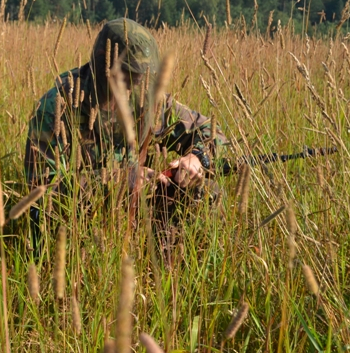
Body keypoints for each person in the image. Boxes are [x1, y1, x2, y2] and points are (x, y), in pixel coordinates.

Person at [24, 17, 228, 234]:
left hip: (138, 209)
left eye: (141, 76)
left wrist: (197, 157)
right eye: (129, 75)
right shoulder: (57, 107)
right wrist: (117, 179)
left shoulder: (147, 98)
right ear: (104, 65)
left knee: (206, 190)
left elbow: (210, 131)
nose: (135, 84)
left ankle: (169, 260)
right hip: (82, 224)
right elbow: (42, 193)